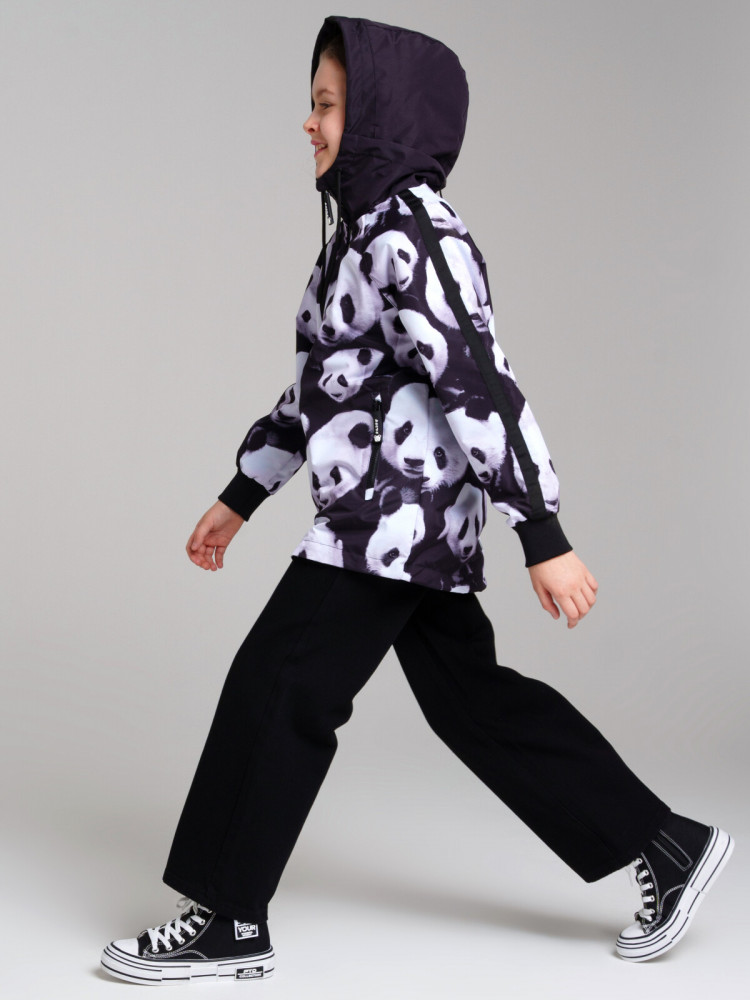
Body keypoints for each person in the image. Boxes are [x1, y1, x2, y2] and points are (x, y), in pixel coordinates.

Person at [100, 15, 733, 985]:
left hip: (389, 523)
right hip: (391, 520)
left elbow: (476, 375)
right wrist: (242, 492)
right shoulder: (356, 240)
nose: (308, 123)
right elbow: (320, 391)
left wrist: (542, 528)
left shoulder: (414, 232)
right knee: (475, 707)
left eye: (326, 105)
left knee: (279, 686)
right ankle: (668, 845)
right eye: (313, 104)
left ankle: (229, 919)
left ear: (377, 119)